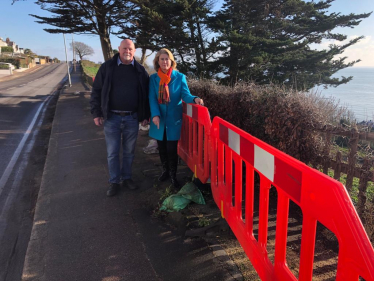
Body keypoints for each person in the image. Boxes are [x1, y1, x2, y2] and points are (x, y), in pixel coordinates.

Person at [90, 39, 150, 197]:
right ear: (119, 49)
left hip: (132, 118)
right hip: (111, 118)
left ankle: (127, 178)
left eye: (130, 49)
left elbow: (146, 95)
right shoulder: (107, 67)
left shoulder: (139, 70)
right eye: (124, 48)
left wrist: (145, 115)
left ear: (134, 51)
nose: (127, 52)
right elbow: (96, 91)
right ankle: (114, 181)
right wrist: (96, 113)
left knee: (129, 152)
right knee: (112, 152)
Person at [149, 48, 204, 189]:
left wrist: (194, 98)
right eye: (162, 59)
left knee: (171, 148)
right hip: (159, 119)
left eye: (167, 59)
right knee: (161, 147)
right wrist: (155, 114)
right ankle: (165, 170)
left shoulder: (180, 77)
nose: (165, 61)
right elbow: (152, 98)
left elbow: (185, 95)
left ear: (171, 61)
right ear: (158, 61)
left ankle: (173, 175)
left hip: (174, 119)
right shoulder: (154, 78)